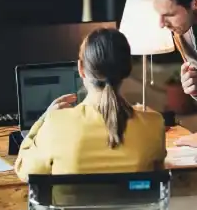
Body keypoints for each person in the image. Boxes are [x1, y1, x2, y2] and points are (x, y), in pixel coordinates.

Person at [14, 27, 167, 179]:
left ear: (81, 69)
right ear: (127, 69)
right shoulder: (154, 123)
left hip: (72, 204)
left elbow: (23, 170)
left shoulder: (56, 123)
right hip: (135, 204)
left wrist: (44, 119)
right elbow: (157, 170)